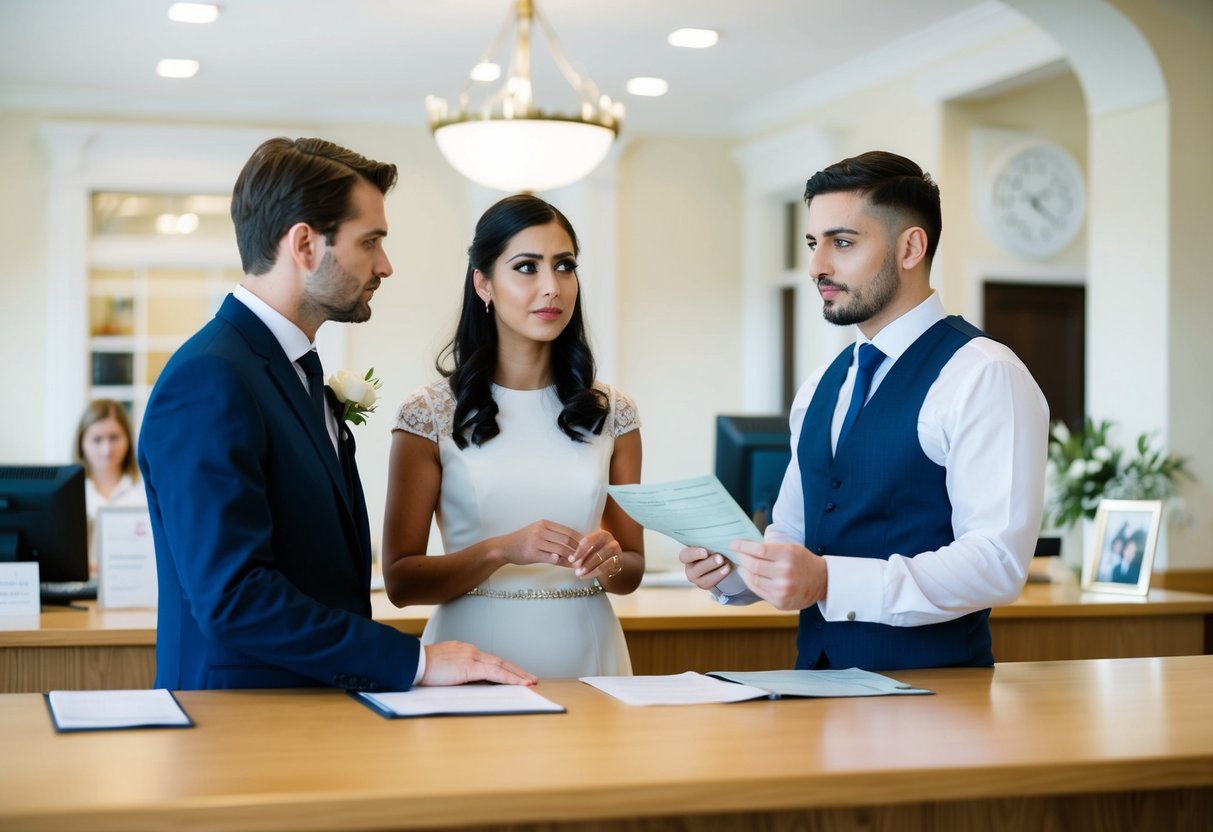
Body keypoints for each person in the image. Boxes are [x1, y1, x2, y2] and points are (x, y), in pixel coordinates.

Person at [138, 137, 535, 691]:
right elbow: (234, 596)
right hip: (237, 720)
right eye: (370, 241)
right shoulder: (210, 379)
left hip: (309, 706)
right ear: (305, 245)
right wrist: (415, 662)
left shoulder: (289, 368)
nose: (385, 265)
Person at [680, 151, 1049, 671]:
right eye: (813, 243)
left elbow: (997, 562)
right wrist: (735, 573)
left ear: (911, 248)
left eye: (842, 243)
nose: (817, 267)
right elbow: (792, 536)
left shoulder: (985, 374)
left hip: (936, 700)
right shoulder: (818, 388)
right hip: (815, 687)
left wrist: (830, 580)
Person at [382, 194, 644, 678]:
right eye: (527, 267)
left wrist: (606, 559)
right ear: (483, 283)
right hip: (472, 659)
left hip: (588, 656)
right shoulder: (430, 413)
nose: (552, 287)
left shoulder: (612, 412)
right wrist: (502, 549)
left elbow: (629, 573)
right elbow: (400, 583)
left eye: (564, 266)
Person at [73, 398, 147, 574]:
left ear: (128, 439)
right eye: (97, 440)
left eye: (114, 438)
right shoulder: (69, 495)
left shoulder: (144, 491)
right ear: (81, 443)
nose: (106, 449)